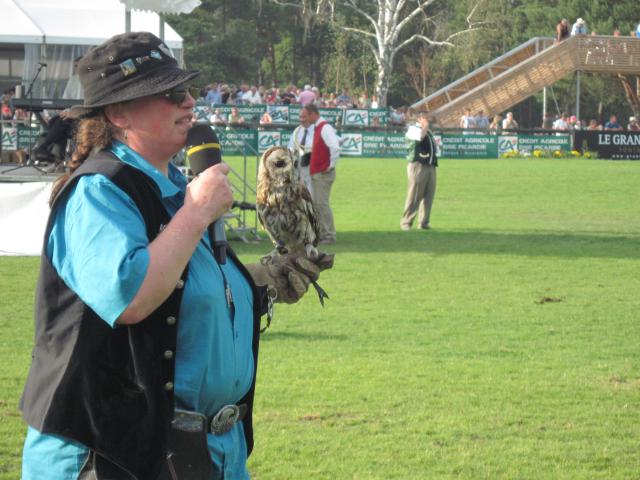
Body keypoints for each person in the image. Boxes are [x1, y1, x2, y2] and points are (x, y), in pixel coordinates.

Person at [19, 31, 331, 480]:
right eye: (169, 94)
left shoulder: (172, 190)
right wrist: (198, 211)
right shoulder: (99, 191)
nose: (188, 102)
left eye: (187, 90)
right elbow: (132, 297)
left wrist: (258, 285)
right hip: (110, 458)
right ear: (117, 112)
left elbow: (185, 293)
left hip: (198, 453)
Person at [299, 104, 340, 244]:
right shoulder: (320, 127)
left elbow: (335, 147)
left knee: (321, 204)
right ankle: (323, 234)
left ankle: (328, 235)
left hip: (323, 173)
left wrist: (330, 165)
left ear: (312, 114)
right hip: (318, 172)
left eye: (305, 115)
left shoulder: (324, 128)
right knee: (318, 204)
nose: (304, 119)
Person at [400, 111, 438, 231]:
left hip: (430, 166)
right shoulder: (413, 129)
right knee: (415, 195)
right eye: (426, 118)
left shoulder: (428, 131)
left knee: (428, 195)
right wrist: (425, 126)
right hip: (418, 165)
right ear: (420, 118)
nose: (429, 120)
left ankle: (424, 222)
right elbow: (420, 137)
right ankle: (406, 222)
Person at [288, 112, 314, 194]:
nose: (302, 120)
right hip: (298, 164)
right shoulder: (297, 131)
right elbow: (290, 148)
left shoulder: (318, 130)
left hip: (312, 165)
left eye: (305, 117)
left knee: (311, 189)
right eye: (301, 117)